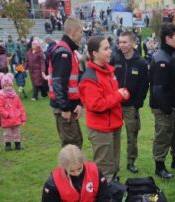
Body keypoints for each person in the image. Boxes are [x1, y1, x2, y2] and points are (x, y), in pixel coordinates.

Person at [79, 35, 130, 182]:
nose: (110, 52)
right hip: (101, 130)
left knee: (113, 165)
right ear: (95, 53)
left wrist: (122, 93)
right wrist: (119, 95)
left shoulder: (108, 71)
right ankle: (105, 200)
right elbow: (96, 105)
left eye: (109, 48)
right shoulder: (90, 77)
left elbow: (111, 96)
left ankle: (113, 194)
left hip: (113, 126)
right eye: (106, 49)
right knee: (105, 170)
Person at [149, 23, 175, 179]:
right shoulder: (161, 60)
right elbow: (157, 89)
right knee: (163, 136)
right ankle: (159, 166)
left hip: (172, 106)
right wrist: (167, 109)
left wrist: (174, 107)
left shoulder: (168, 55)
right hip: (163, 108)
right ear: (167, 38)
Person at [110, 31, 149, 174]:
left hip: (131, 106)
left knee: (132, 135)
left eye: (125, 42)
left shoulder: (141, 63)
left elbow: (145, 85)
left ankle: (131, 161)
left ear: (133, 43)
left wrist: (137, 103)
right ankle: (113, 163)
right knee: (114, 134)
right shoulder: (114, 59)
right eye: (120, 42)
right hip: (114, 104)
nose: (122, 45)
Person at [48, 17, 83, 149]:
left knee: (76, 140)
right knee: (71, 146)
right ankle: (71, 170)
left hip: (70, 105)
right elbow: (58, 83)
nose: (81, 36)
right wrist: (65, 108)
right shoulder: (63, 51)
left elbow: (72, 82)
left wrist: (78, 103)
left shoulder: (69, 50)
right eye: (80, 32)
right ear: (73, 32)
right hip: (65, 107)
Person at [0, 72, 26, 151]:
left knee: (17, 133)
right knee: (7, 133)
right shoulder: (1, 96)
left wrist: (23, 118)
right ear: (3, 86)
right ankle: (8, 145)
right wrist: (6, 114)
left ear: (12, 86)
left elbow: (20, 107)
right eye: (6, 86)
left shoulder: (15, 96)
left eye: (9, 86)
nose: (8, 88)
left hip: (16, 118)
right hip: (7, 119)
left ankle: (18, 144)